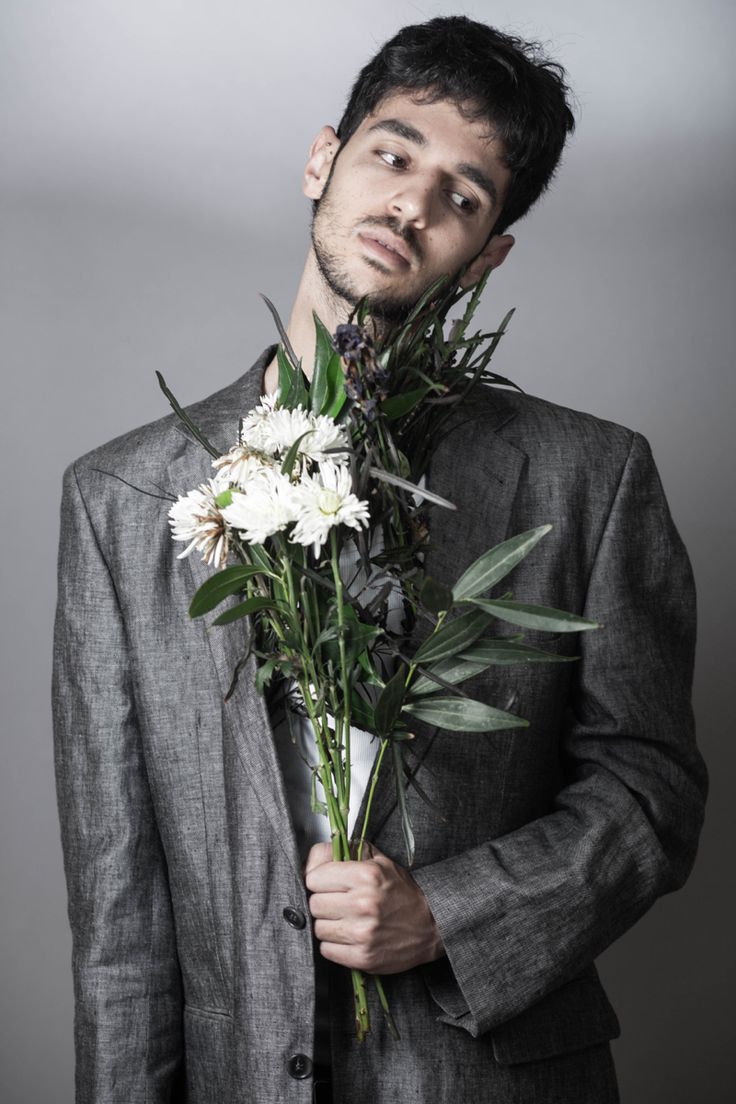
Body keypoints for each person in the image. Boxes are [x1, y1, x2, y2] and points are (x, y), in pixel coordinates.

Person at [52, 15, 707, 1104]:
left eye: (462, 195)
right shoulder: (120, 497)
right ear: (324, 159)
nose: (410, 204)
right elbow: (118, 909)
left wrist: (450, 914)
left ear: (489, 254)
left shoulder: (586, 477)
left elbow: (652, 789)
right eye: (391, 155)